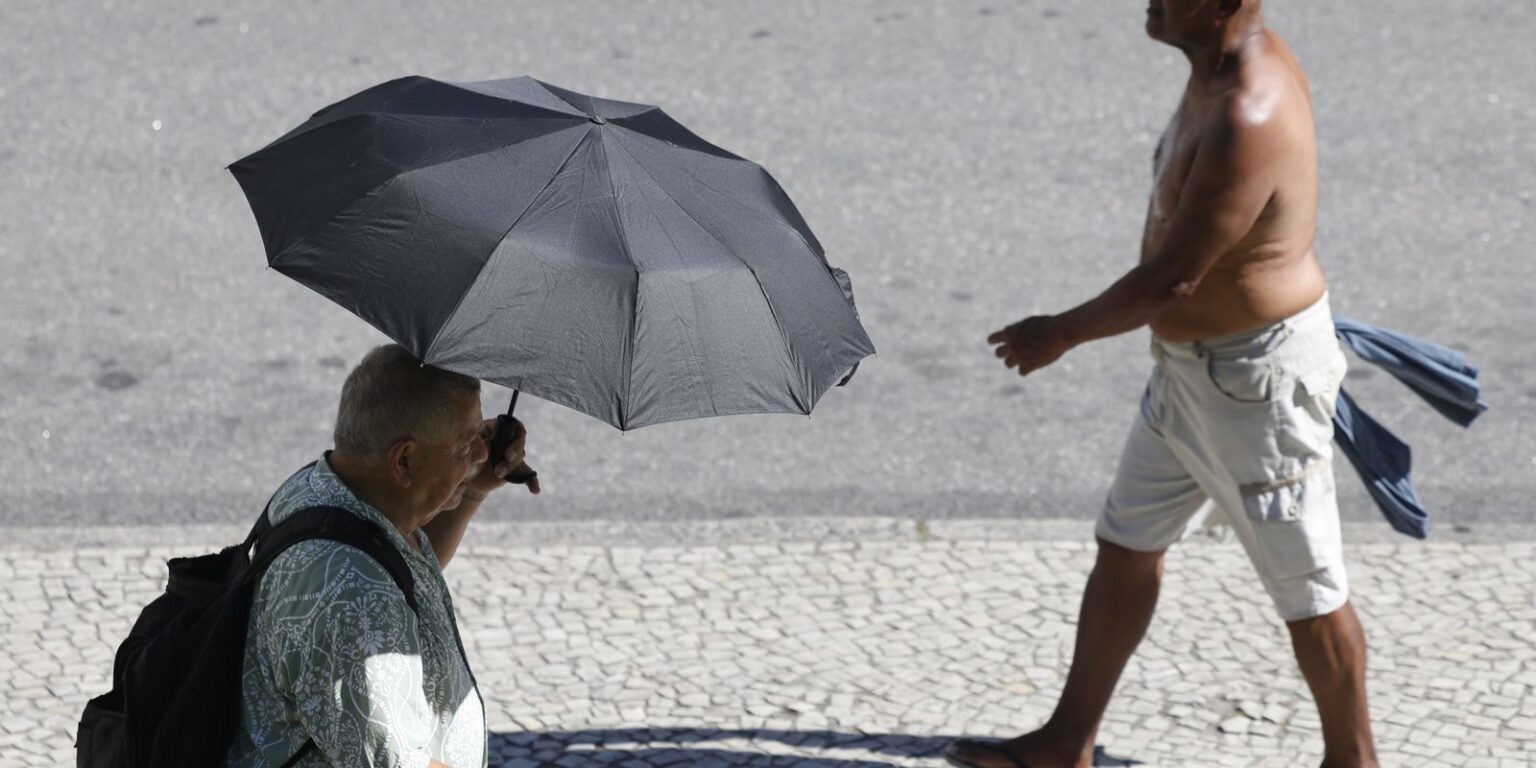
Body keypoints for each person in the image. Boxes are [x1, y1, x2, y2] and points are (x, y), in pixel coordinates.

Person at [948, 1, 1379, 766]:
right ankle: (1068, 743)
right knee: (1126, 543)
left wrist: (1059, 332)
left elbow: (1174, 278)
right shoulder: (1216, 69)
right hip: (1190, 372)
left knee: (1309, 591)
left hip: (1254, 386)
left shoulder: (1250, 110)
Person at [226, 344, 538, 768]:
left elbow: (403, 574)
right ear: (404, 461)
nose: (482, 454)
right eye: (466, 445)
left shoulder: (330, 489)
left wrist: (470, 488)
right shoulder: (351, 597)